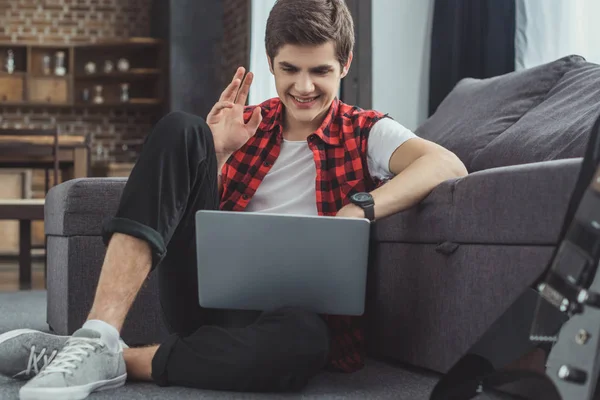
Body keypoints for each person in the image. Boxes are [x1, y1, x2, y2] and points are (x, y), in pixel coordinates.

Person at [0, 0, 468, 399]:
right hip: (206, 301)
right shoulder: (247, 124)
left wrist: (361, 206)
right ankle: (99, 333)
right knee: (183, 128)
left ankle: (113, 359)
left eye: (321, 71)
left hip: (294, 322)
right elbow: (195, 218)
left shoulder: (367, 130)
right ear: (270, 62)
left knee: (304, 344)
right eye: (290, 69)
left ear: (344, 65)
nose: (304, 88)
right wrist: (216, 149)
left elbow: (447, 164)